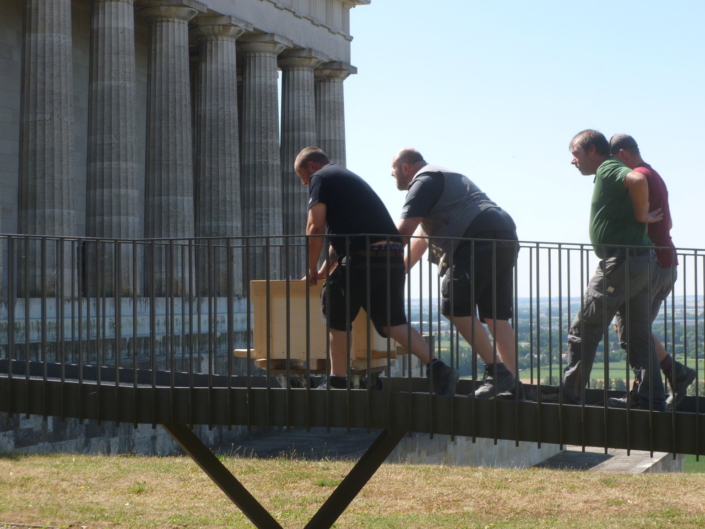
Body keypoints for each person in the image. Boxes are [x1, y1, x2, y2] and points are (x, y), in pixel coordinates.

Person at [294, 146, 459, 395]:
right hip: (392, 257)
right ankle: (438, 368)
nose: (306, 184)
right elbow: (338, 242)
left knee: (336, 313)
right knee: (392, 323)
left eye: (303, 178)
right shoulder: (346, 180)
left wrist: (309, 268)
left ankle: (337, 382)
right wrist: (323, 269)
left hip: (363, 258)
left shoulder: (321, 177)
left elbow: (315, 226)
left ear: (311, 167)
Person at [390, 148, 521, 399]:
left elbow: (402, 232)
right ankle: (514, 386)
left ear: (405, 168)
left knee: (454, 307)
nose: (391, 173)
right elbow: (420, 237)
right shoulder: (444, 180)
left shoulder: (423, 181)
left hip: (477, 238)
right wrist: (398, 270)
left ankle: (497, 373)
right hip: (502, 232)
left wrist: (376, 256)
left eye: (393, 169)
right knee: (496, 315)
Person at [563, 129, 666, 411]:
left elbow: (638, 179)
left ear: (593, 151)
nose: (573, 161)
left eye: (576, 154)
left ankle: (569, 396)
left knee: (584, 328)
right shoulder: (612, 169)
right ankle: (652, 399)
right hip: (642, 262)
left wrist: (640, 215)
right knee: (638, 335)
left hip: (620, 263)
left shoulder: (609, 167)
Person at [609, 134, 694, 411]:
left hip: (651, 266)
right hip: (666, 262)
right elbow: (667, 222)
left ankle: (660, 385)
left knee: (631, 332)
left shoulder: (638, 177)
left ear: (622, 154)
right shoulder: (652, 175)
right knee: (635, 332)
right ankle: (658, 383)